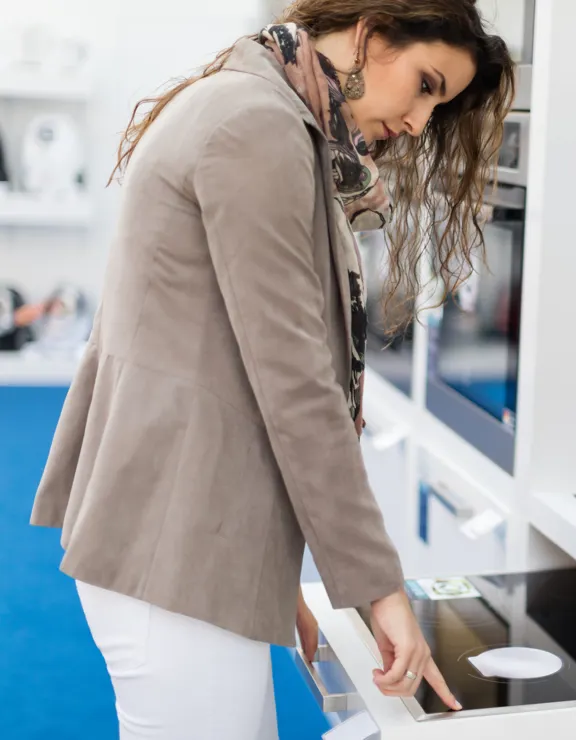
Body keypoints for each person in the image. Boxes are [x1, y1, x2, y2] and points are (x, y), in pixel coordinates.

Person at [29, 1, 514, 737]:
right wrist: (379, 590)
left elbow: (226, 349)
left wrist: (266, 560)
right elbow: (295, 385)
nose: (420, 121)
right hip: (176, 539)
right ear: (370, 33)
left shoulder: (256, 100)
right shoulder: (258, 127)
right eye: (425, 84)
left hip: (193, 527)